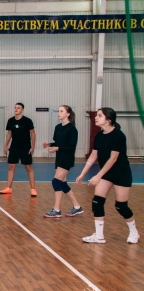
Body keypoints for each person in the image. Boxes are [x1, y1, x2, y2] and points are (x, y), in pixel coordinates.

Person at [76, 107, 139, 244]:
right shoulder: (99, 135)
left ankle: (134, 232)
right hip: (106, 174)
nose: (96, 117)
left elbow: (113, 159)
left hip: (121, 174)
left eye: (99, 115)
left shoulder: (118, 135)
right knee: (97, 202)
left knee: (121, 206)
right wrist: (82, 173)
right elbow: (93, 155)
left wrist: (98, 175)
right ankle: (99, 236)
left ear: (108, 120)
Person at [42, 105, 83, 218]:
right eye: (58, 111)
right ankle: (77, 207)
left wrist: (58, 148)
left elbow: (71, 147)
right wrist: (50, 144)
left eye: (61, 111)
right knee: (62, 184)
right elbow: (59, 143)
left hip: (67, 158)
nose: (58, 113)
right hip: (59, 158)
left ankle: (57, 210)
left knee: (56, 182)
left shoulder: (72, 129)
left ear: (68, 114)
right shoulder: (58, 127)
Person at [0, 103, 37, 196]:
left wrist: (33, 146)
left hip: (25, 147)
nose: (16, 109)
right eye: (15, 107)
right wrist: (5, 145)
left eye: (18, 108)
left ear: (22, 110)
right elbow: (9, 133)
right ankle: (8, 188)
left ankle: (33, 189)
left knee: (28, 167)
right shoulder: (11, 121)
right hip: (14, 147)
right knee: (11, 166)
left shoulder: (27, 121)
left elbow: (33, 133)